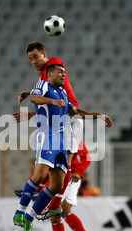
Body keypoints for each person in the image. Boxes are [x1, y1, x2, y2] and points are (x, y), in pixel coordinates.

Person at [13, 41, 113, 218]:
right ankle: (44, 195)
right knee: (56, 165)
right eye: (30, 59)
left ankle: (53, 203)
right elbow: (44, 94)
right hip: (61, 118)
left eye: (36, 56)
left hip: (71, 118)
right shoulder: (43, 76)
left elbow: (50, 93)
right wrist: (30, 96)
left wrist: (96, 115)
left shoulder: (54, 64)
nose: (34, 61)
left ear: (45, 54)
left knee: (65, 163)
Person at [13, 64, 77, 231]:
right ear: (49, 75)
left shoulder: (63, 92)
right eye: (60, 72)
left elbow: (74, 111)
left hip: (61, 141)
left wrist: (98, 115)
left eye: (65, 72)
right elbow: (34, 97)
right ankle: (19, 212)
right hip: (47, 134)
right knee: (40, 174)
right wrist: (52, 101)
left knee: (57, 184)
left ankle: (29, 217)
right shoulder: (44, 84)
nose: (64, 74)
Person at [43, 140, 99, 231]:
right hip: (59, 177)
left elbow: (86, 157)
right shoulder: (54, 137)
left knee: (60, 213)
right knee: (57, 217)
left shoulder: (74, 137)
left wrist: (79, 171)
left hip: (70, 177)